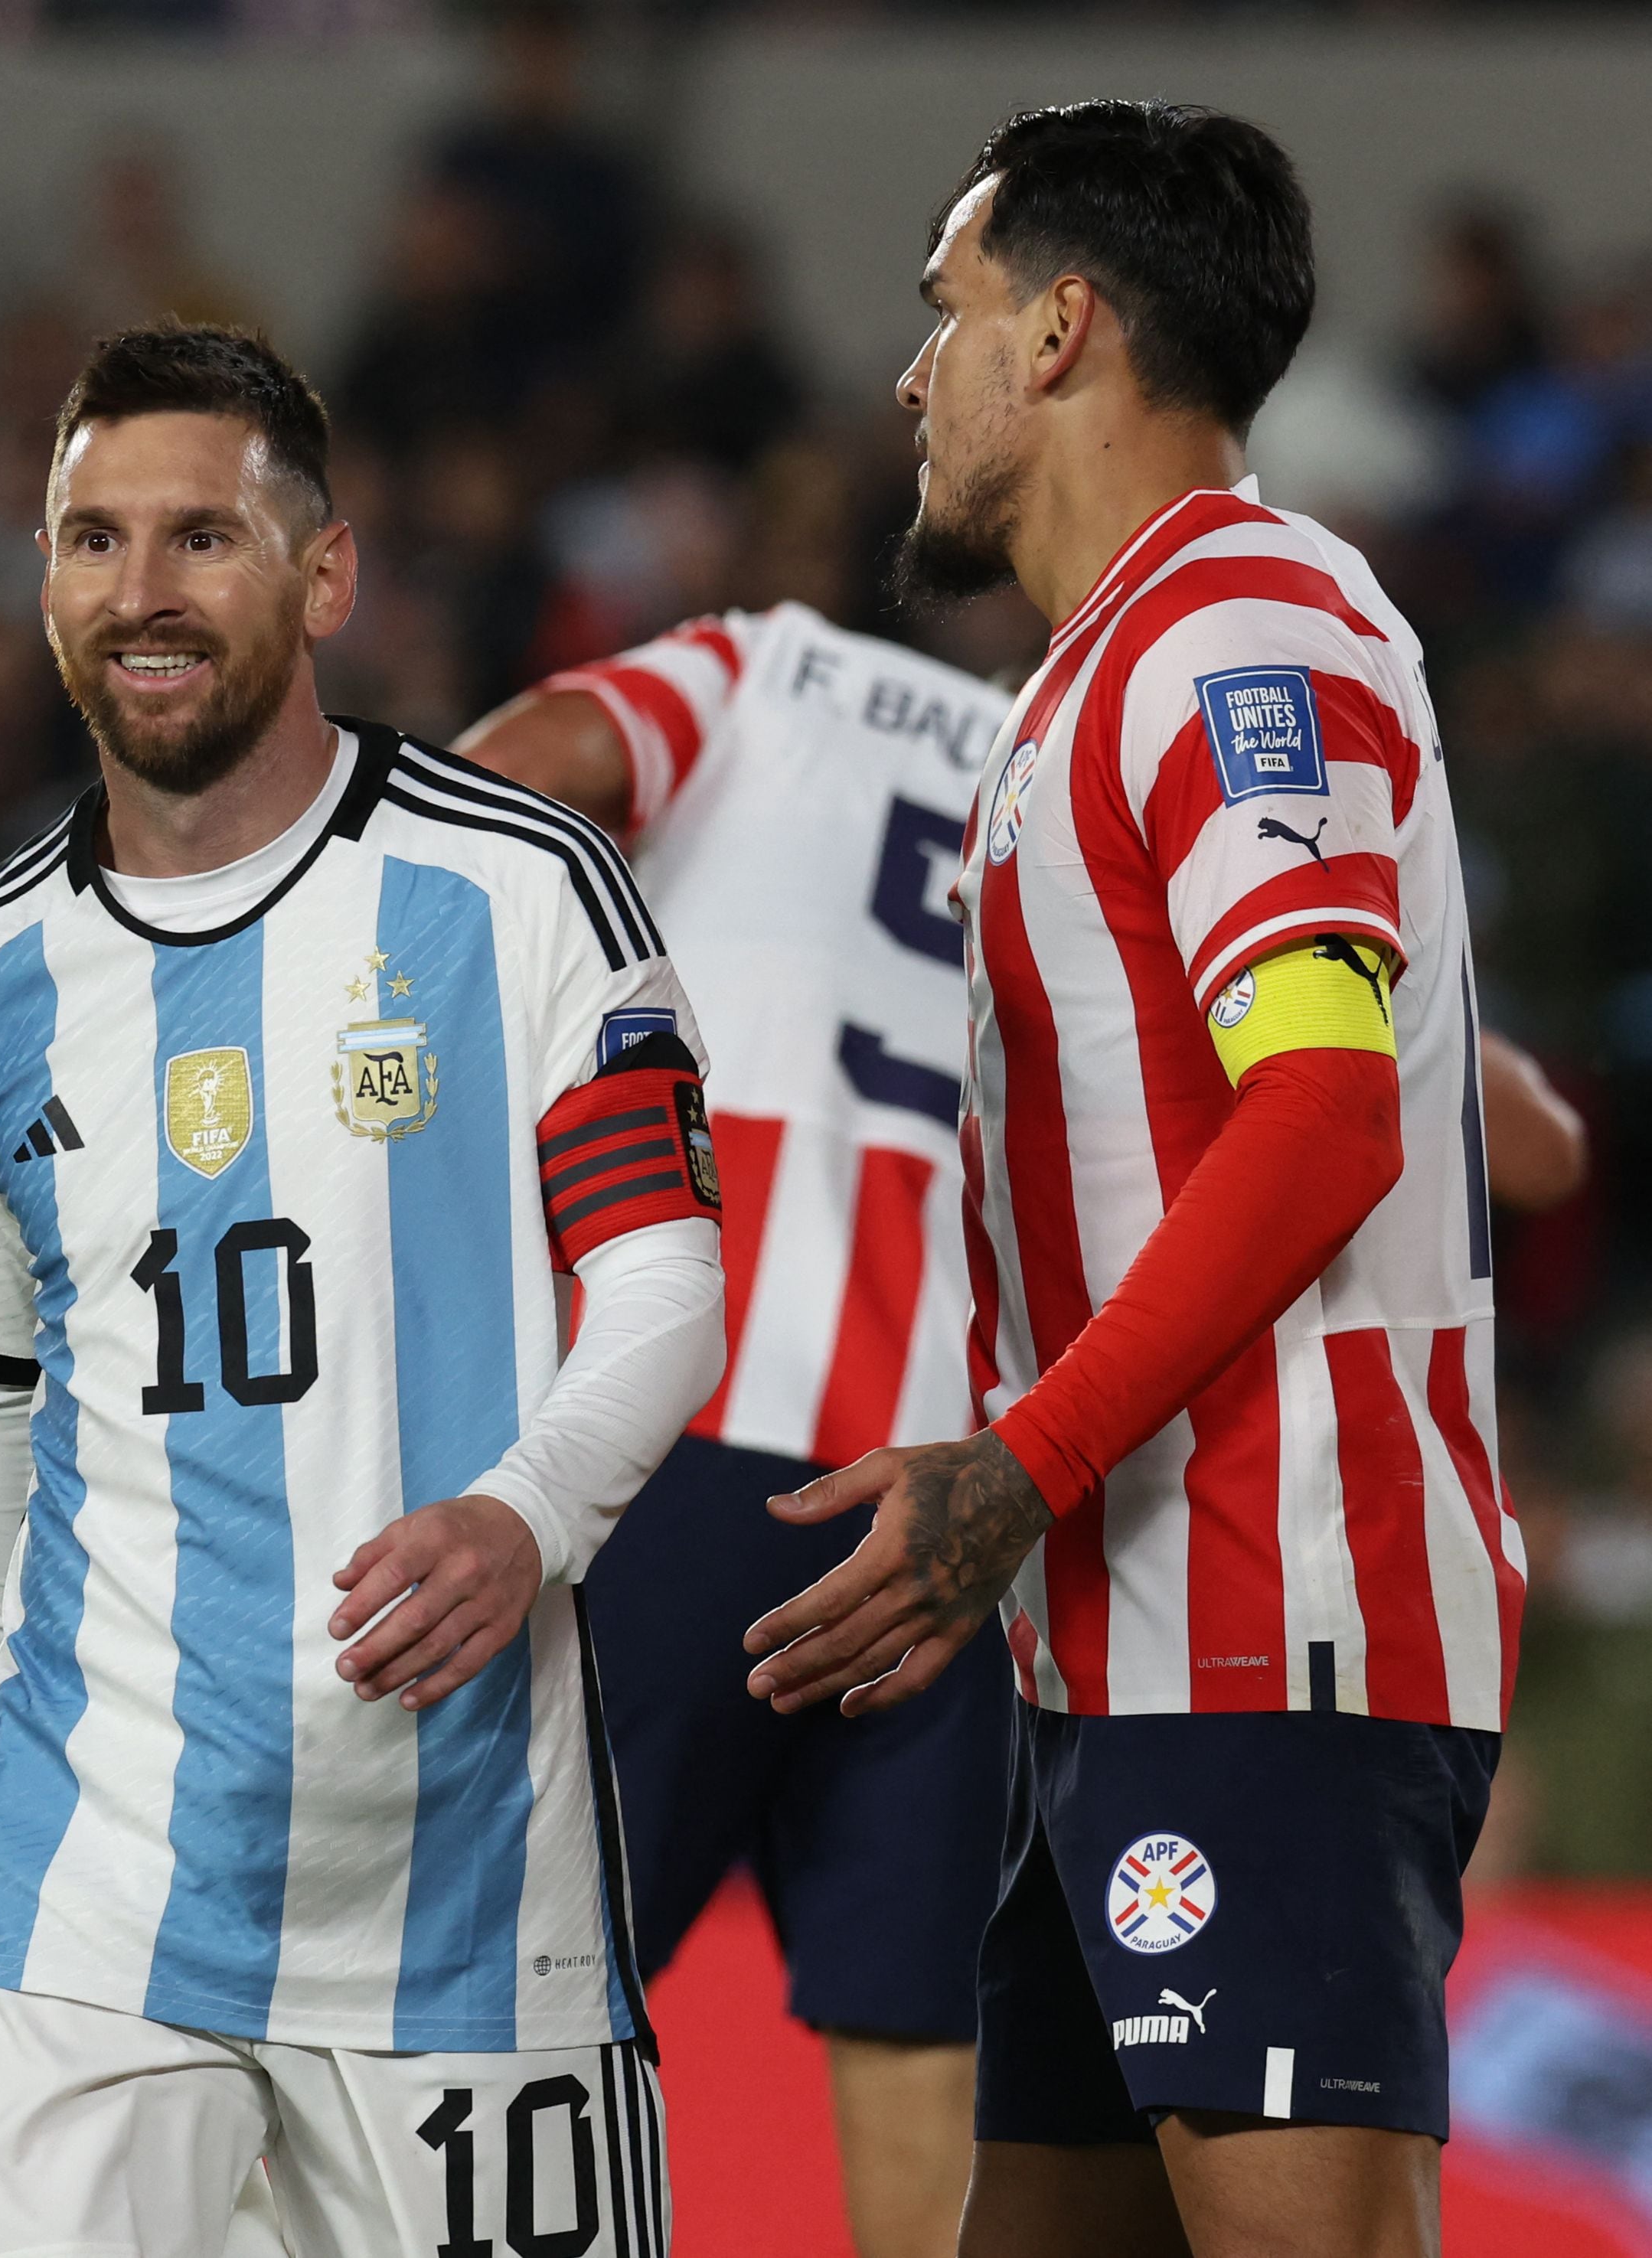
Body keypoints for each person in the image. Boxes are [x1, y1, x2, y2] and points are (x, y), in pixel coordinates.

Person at [741, 103, 1520, 2258]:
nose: (916, 377)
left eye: (950, 315)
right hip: (1120, 1644)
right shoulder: (1090, 677)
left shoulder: (1234, 635)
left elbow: (1326, 1114)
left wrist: (1022, 1453)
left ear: (1065, 326)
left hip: (1276, 1632)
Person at [0, 321, 723, 2256]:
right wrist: (60, 1647)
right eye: (89, 541)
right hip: (85, 1878)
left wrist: (529, 1512)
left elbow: (663, 1273)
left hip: (461, 1893)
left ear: (323, 573)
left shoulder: (518, 890)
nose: (138, 593)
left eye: (199, 538)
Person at [456, 603, 1020, 2258]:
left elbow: (526, 771)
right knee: (917, 2026)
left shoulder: (768, 667)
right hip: (955, 1485)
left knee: (521, 1977)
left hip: (685, 1435)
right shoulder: (1088, 775)